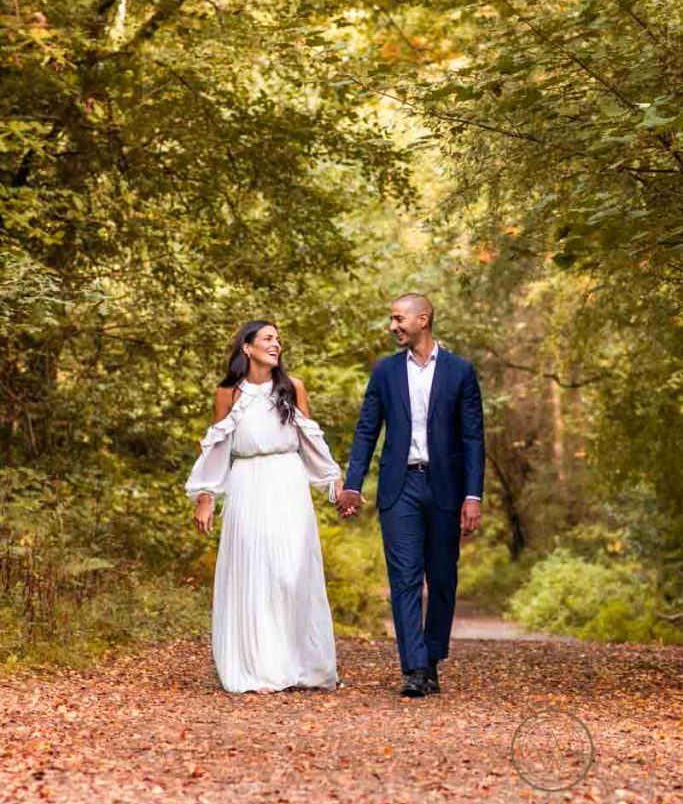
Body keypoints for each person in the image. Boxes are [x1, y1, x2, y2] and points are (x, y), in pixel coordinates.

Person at [336, 294, 485, 698]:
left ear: (423, 319)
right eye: (392, 319)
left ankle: (432, 657)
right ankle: (415, 668)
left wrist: (473, 495)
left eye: (399, 319)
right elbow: (367, 430)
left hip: (446, 488)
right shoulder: (384, 372)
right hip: (399, 487)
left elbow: (473, 438)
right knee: (403, 579)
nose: (393, 326)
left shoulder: (460, 371)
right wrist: (353, 483)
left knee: (442, 577)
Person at [185, 320, 344, 694]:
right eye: (268, 339)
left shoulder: (293, 388)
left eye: (278, 340)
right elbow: (217, 448)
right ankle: (261, 668)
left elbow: (312, 443)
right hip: (247, 484)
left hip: (287, 481)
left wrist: (335, 488)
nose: (276, 345)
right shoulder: (228, 394)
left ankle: (303, 665)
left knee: (291, 570)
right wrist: (206, 497)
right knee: (257, 570)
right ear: (247, 347)